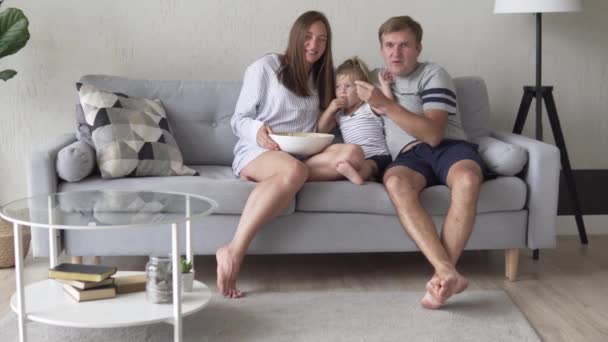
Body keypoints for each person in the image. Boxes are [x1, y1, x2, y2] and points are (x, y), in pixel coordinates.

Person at [219, 11, 366, 298]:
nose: (314, 45)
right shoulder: (265, 67)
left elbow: (316, 128)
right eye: (308, 37)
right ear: (296, 36)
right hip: (260, 149)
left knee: (353, 154)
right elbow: (239, 120)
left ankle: (283, 182)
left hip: (299, 156)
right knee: (294, 171)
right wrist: (258, 130)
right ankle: (233, 251)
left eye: (322, 39)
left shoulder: (321, 78)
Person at [355, 16, 487, 309]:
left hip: (449, 146)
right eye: (389, 45)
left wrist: (385, 103)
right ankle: (448, 273)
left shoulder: (434, 73)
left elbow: (433, 134)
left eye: (404, 45)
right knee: (395, 182)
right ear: (381, 49)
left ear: (418, 48)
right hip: (408, 156)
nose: (396, 52)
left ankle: (442, 277)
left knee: (468, 179)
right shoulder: (376, 78)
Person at [317, 57, 392, 184]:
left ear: (361, 88)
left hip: (379, 156)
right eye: (338, 87)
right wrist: (330, 109)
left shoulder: (368, 107)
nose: (342, 91)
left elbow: (388, 106)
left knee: (369, 166)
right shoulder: (340, 115)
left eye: (348, 86)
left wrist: (385, 85)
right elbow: (321, 129)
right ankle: (353, 172)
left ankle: (358, 176)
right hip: (355, 159)